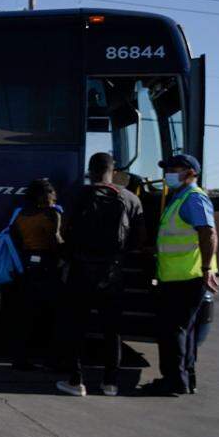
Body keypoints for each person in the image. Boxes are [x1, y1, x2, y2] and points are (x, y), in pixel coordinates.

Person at [55, 153, 145, 397]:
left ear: (90, 170)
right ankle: (110, 383)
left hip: (80, 270)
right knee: (111, 329)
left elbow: (61, 231)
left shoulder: (76, 194)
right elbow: (138, 239)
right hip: (112, 272)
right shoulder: (130, 198)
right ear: (112, 170)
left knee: (77, 327)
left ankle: (76, 381)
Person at [140, 154, 219, 396]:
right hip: (178, 277)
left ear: (190, 173)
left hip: (187, 278)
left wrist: (206, 270)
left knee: (172, 331)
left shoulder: (194, 198)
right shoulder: (180, 198)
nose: (169, 173)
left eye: (174, 169)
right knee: (183, 330)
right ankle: (185, 379)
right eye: (168, 169)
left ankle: (172, 382)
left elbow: (208, 234)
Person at [9, 178, 64, 371]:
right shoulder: (51, 214)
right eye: (52, 192)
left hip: (27, 267)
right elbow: (56, 241)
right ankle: (52, 360)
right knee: (53, 315)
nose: (55, 196)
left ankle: (20, 359)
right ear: (44, 195)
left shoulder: (21, 215)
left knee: (26, 316)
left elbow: (15, 237)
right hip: (47, 267)